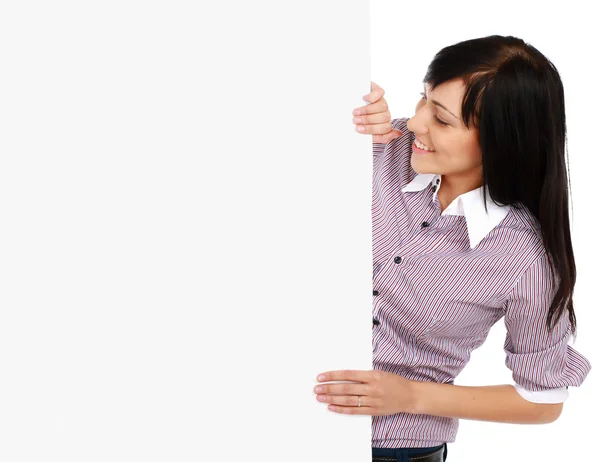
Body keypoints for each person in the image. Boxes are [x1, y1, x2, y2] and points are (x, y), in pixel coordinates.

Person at [312, 35, 592, 462]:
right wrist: (340, 97)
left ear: (501, 142)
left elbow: (543, 400)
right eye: (422, 99)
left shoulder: (526, 259)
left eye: (442, 120)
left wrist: (410, 396)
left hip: (396, 450)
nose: (417, 123)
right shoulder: (380, 146)